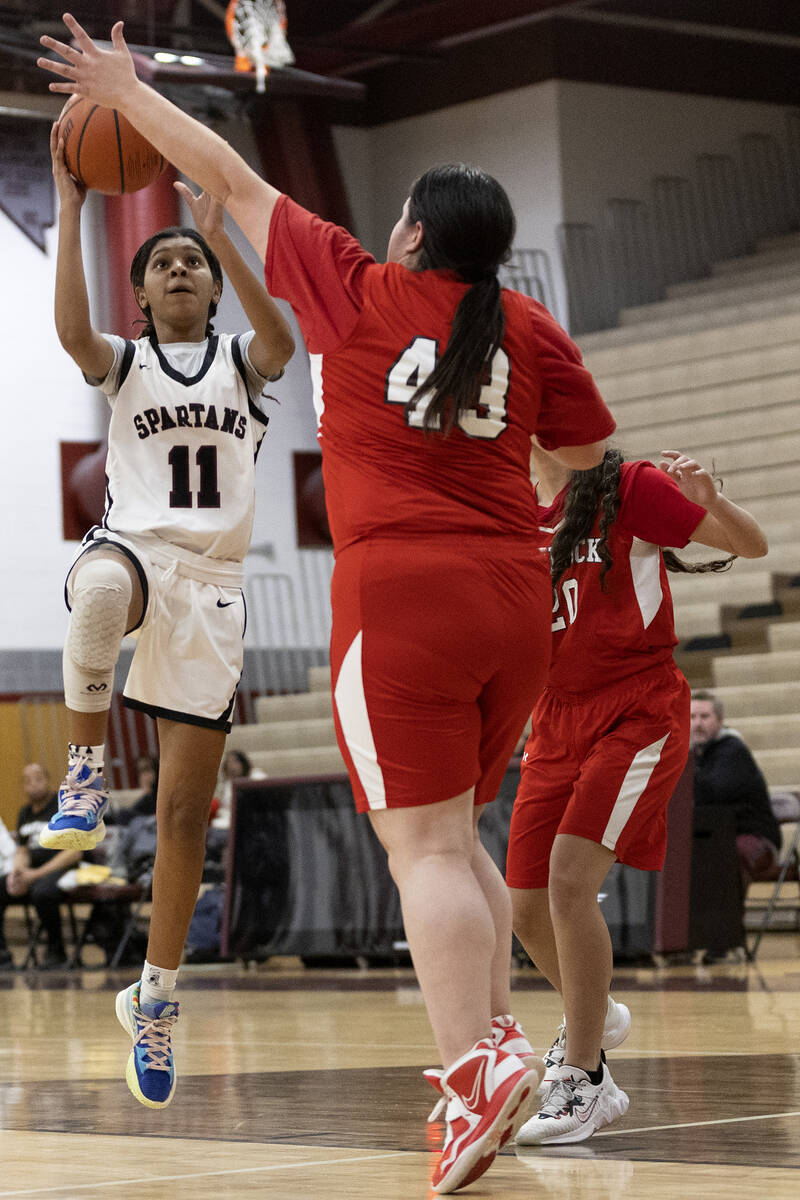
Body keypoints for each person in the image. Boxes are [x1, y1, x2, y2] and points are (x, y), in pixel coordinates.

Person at [38, 18, 616, 1191]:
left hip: (402, 593)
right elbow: (591, 454)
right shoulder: (530, 328)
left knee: (427, 855)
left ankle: (471, 1072)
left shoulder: (359, 287)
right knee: (464, 844)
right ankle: (494, 1052)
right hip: (514, 598)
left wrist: (121, 88)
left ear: (409, 232)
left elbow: (222, 169)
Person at [36, 94, 294, 1112]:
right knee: (97, 592)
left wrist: (223, 233)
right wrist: (70, 210)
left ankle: (154, 993)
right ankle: (88, 771)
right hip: (137, 551)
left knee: (187, 813)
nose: (177, 270)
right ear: (139, 295)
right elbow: (67, 330)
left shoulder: (245, 362)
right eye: (162, 263)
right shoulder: (127, 362)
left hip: (215, 589)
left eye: (190, 262)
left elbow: (279, 328)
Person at [507, 445, 768, 1146]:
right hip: (553, 718)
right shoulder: (507, 508)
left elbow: (752, 543)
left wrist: (711, 501)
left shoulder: (628, 488)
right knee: (524, 904)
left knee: (569, 880)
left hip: (637, 708)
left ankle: (586, 1076)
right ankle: (595, 1015)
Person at [690, 690, 781, 888]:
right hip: (714, 836)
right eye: (692, 717)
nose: (697, 723)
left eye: (705, 716)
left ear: (720, 720)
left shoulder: (733, 751)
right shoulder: (693, 754)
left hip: (754, 836)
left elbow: (712, 794)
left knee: (724, 855)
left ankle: (725, 918)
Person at [0, 764, 82, 969]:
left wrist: (34, 875)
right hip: (33, 872)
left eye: (38, 778)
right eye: (27, 781)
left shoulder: (63, 807)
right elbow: (22, 850)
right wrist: (17, 873)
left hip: (65, 868)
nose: (33, 784)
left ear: (48, 780)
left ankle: (57, 951)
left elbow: (74, 853)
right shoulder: (25, 812)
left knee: (42, 892)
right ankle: (3, 955)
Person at [212, 748, 267, 830]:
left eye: (235, 762)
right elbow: (224, 809)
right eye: (229, 762)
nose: (232, 766)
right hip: (229, 821)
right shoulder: (226, 784)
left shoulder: (257, 777)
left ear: (243, 763)